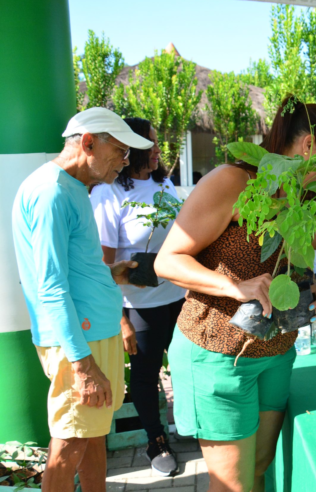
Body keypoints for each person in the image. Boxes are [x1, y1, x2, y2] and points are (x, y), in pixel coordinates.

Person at [155, 96, 316, 492]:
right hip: (219, 355)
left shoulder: (299, 197)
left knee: (259, 470)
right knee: (232, 485)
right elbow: (167, 262)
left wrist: (312, 286)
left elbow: (287, 263)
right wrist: (236, 287)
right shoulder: (234, 181)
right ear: (307, 147)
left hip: (276, 351)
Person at [12, 107, 154, 492]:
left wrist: (112, 274)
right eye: (120, 153)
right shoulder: (51, 192)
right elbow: (50, 285)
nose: (125, 164)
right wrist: (82, 364)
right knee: (69, 444)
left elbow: (70, 272)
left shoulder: (70, 188)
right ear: (88, 142)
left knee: (92, 437)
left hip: (91, 334)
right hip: (80, 341)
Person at [90, 117, 186, 476]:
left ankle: (187, 425)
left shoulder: (166, 186)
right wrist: (120, 319)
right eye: (153, 143)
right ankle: (155, 440)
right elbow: (102, 265)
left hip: (178, 296)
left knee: (184, 362)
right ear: (131, 149)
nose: (159, 149)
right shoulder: (109, 192)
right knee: (146, 377)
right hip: (137, 305)